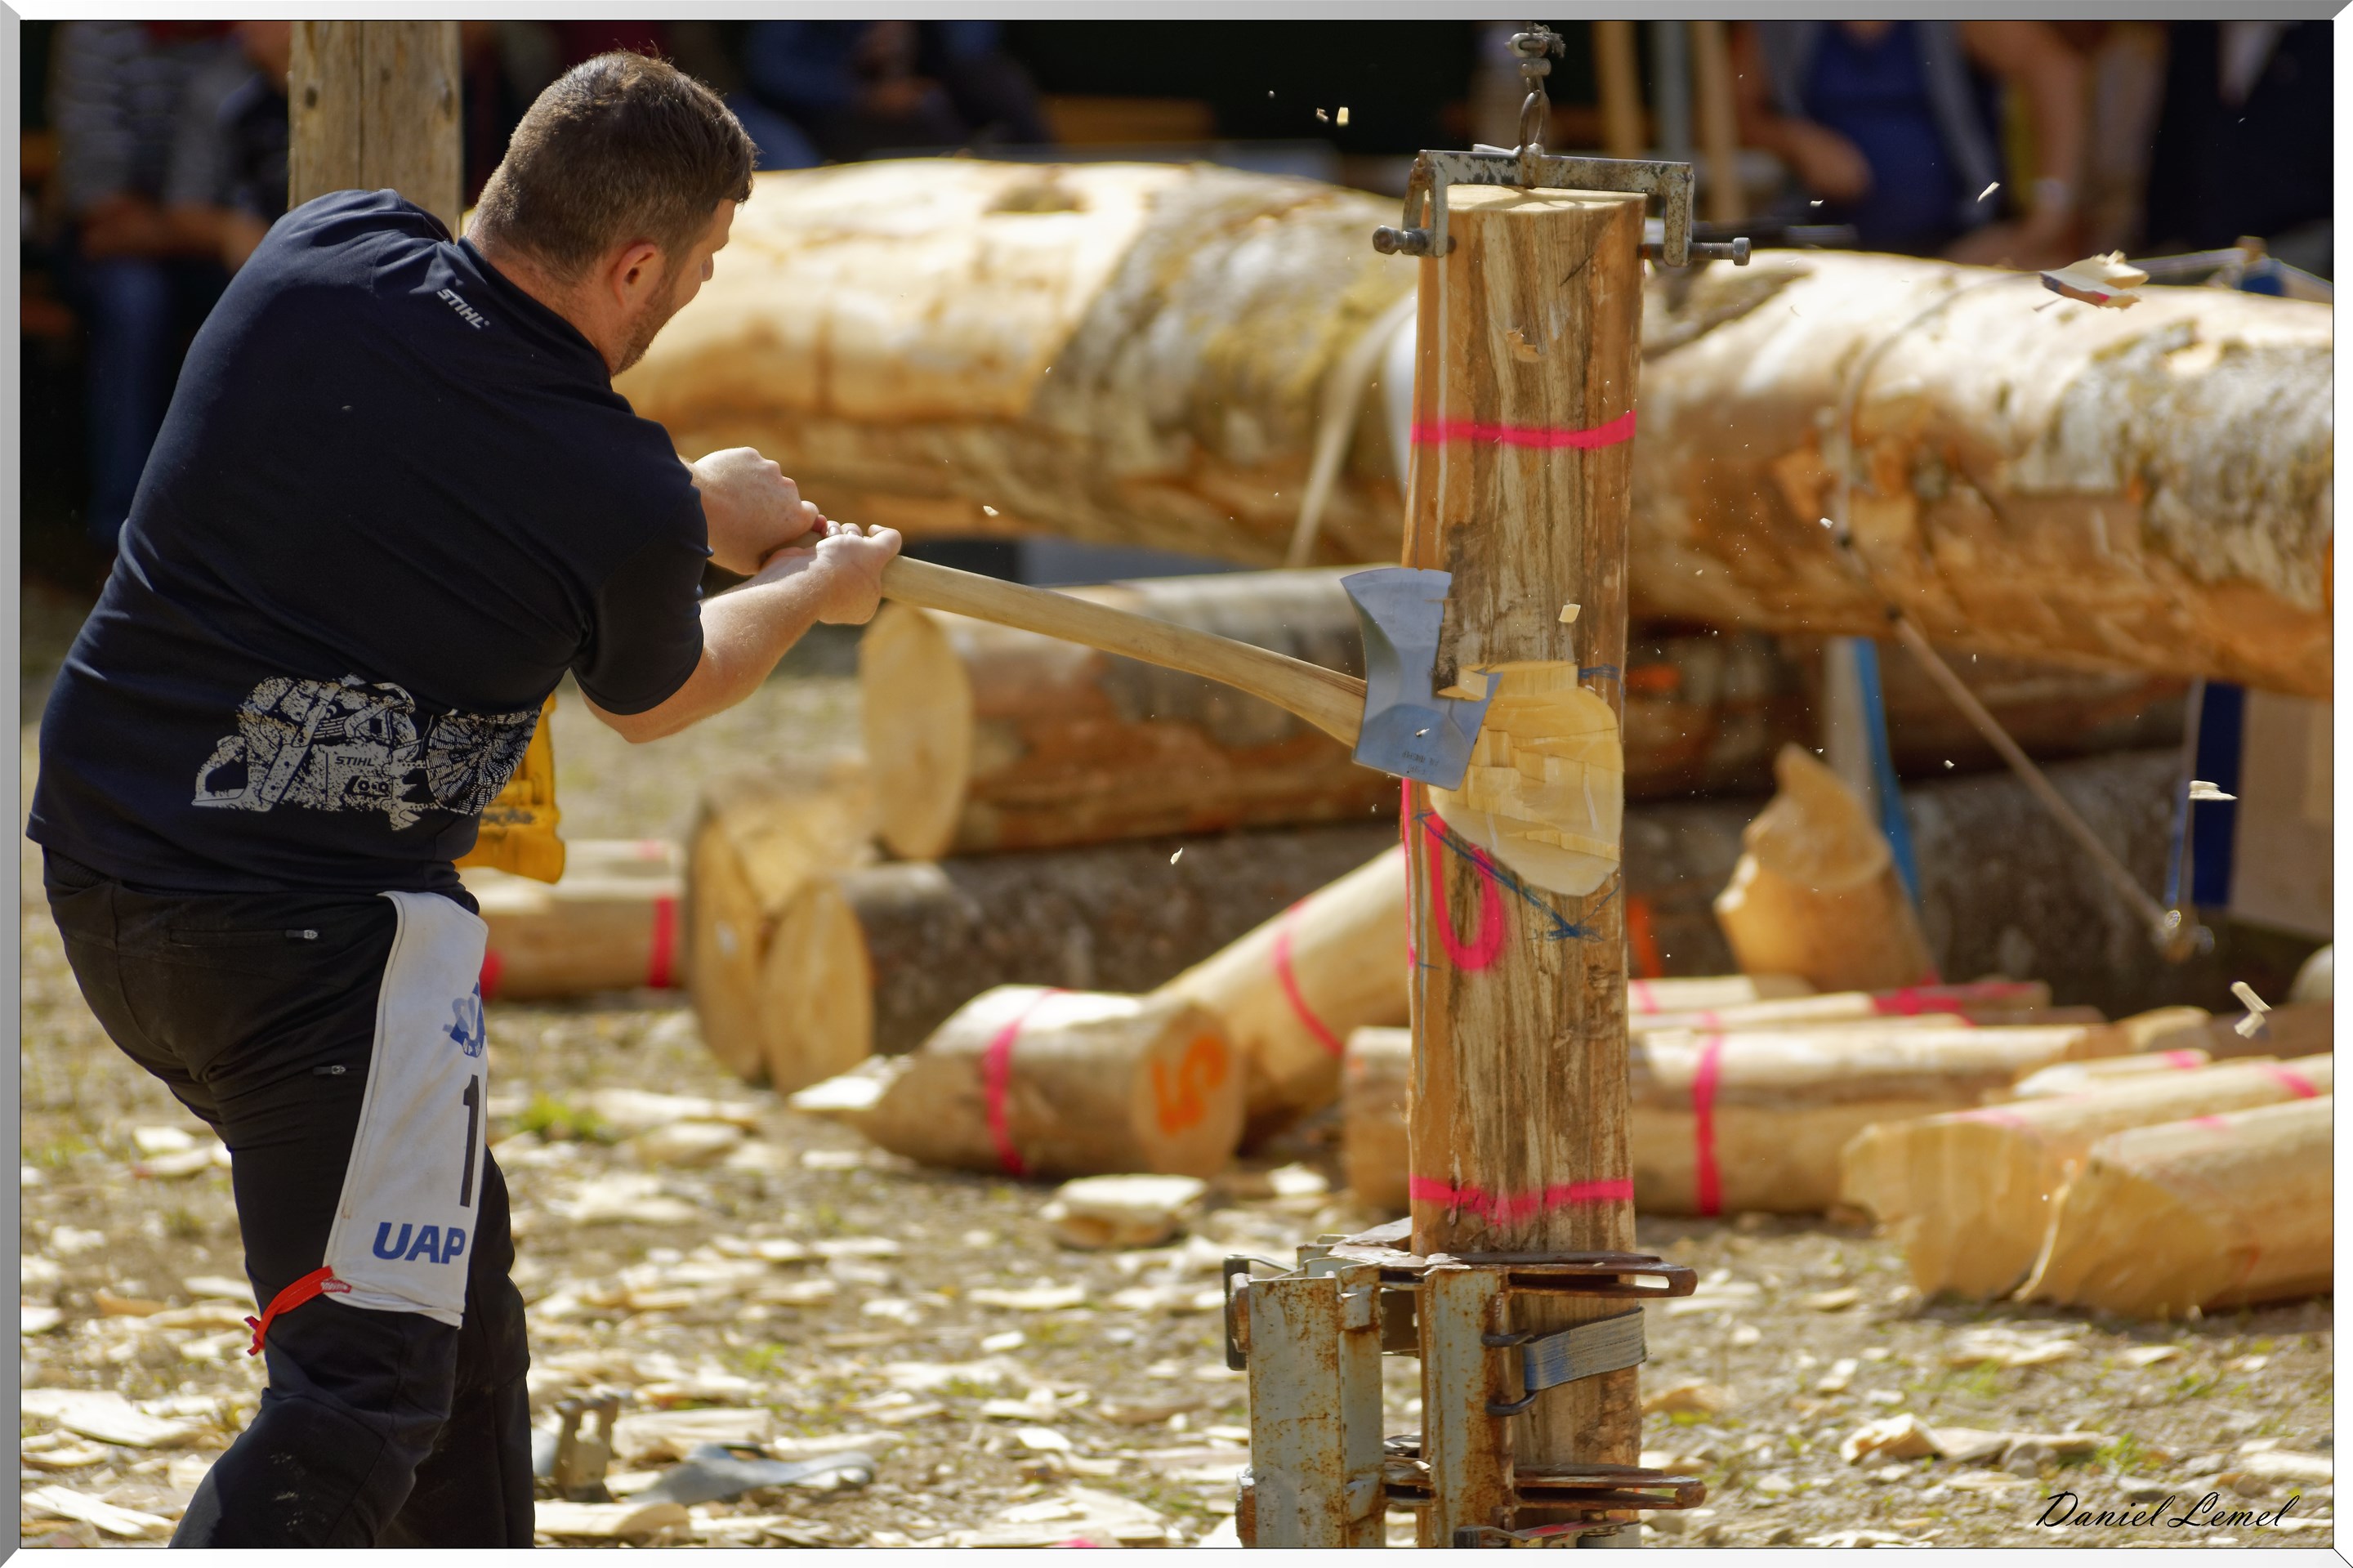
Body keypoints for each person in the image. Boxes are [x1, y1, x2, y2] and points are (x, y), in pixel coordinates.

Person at [29, 52, 901, 1547]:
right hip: (313, 953)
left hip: (105, 874)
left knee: (455, 1307)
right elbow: (666, 690)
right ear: (637, 260)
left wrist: (685, 500)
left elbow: (437, 446)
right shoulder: (611, 493)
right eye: (696, 269)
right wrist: (811, 589)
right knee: (360, 1387)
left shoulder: (323, 253)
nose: (692, 293)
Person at [46, 20, 241, 549]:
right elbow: (101, 215)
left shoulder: (241, 40)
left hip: (200, 238)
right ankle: (122, 536)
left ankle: (229, 534)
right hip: (123, 245)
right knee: (135, 300)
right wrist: (212, 227)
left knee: (267, 298)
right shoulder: (98, 31)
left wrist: (215, 226)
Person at [1732, 20, 2085, 268]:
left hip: (1958, 251)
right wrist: (1794, 139)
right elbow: (1728, 113)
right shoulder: (1782, 23)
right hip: (1829, 259)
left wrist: (2044, 222)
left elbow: (2054, 70)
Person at [163, 20, 292, 274]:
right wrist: (229, 230)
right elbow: (183, 210)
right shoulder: (216, 91)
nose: (245, 24)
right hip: (252, 264)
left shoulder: (347, 86)